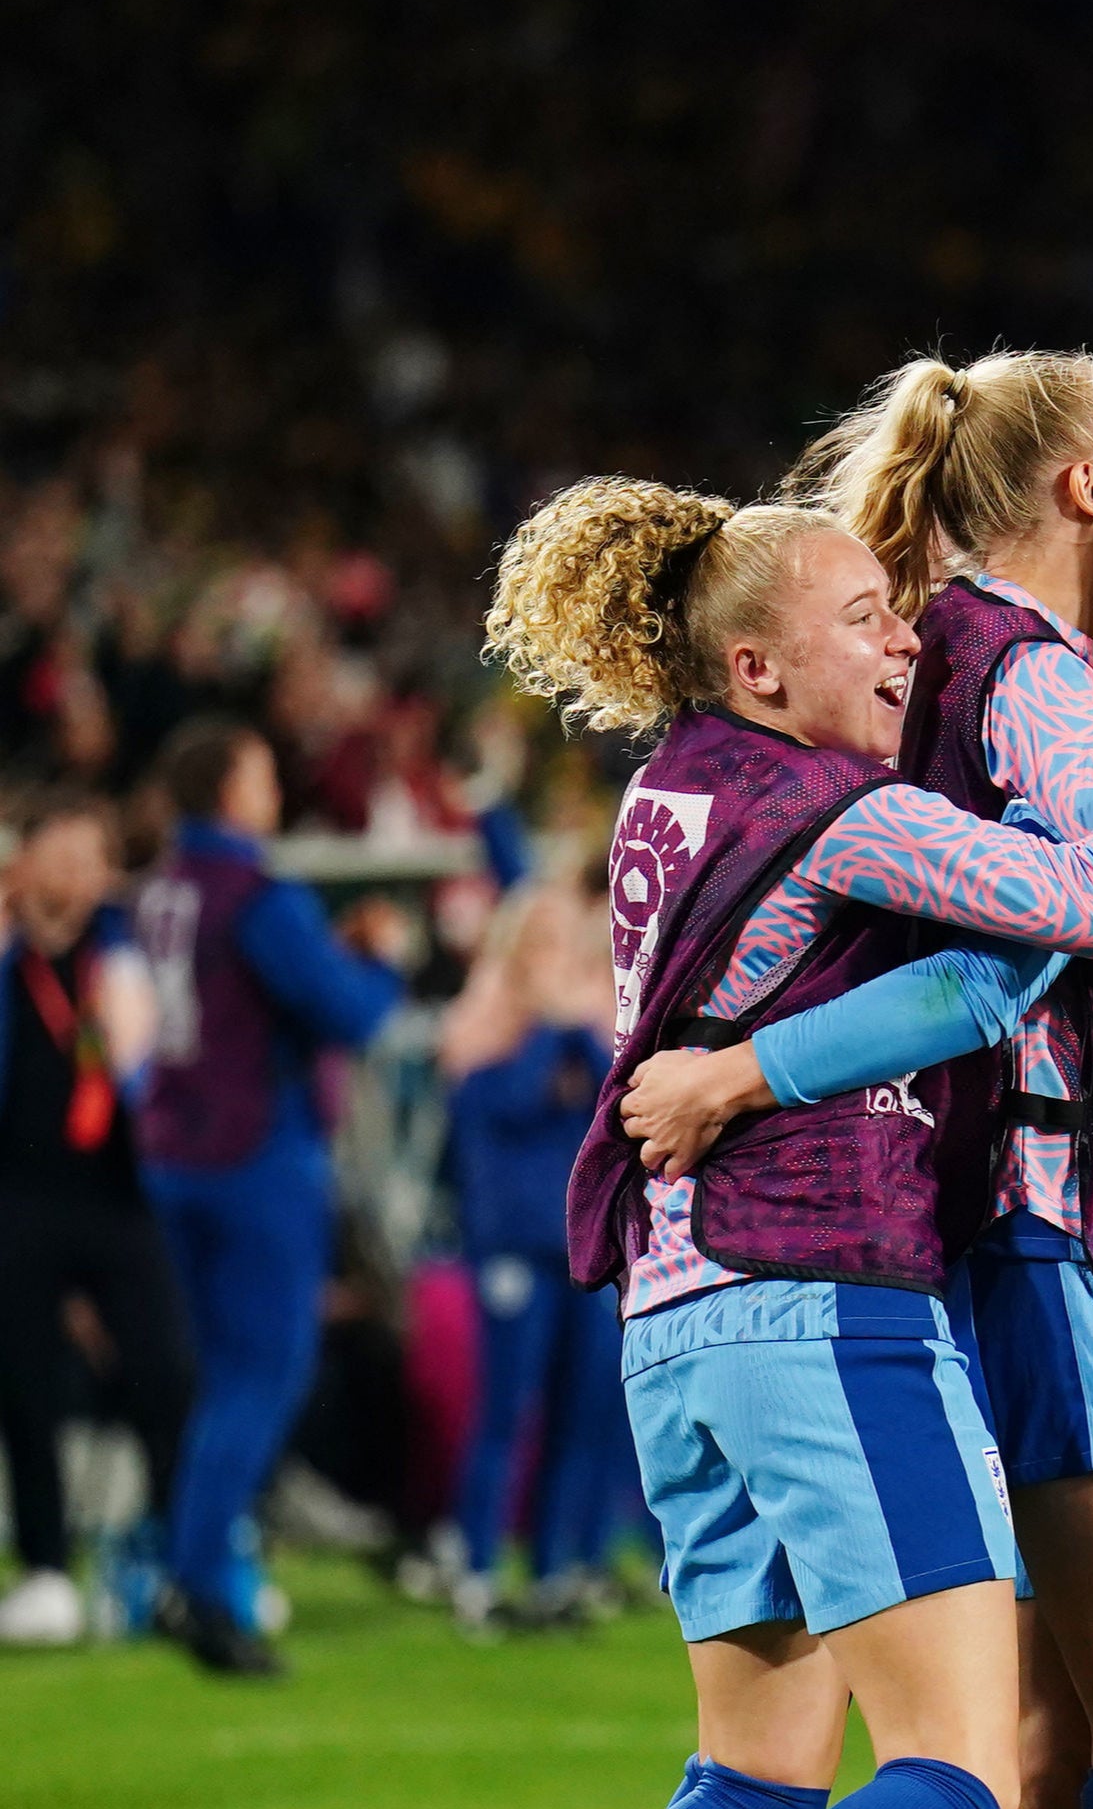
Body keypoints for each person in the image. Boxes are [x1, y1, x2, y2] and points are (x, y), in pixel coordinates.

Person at [483, 474, 1093, 1809]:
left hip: (676, 1316)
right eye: (863, 621)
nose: (902, 647)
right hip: (820, 1296)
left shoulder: (665, 788)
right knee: (956, 1778)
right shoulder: (838, 809)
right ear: (755, 666)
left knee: (750, 1786)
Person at [135, 719, 405, 1677]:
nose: (272, 789)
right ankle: (201, 1584)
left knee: (211, 1384)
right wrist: (378, 959)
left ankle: (187, 1568)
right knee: (262, 1378)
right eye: (258, 773)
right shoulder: (254, 890)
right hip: (254, 1160)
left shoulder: (161, 889)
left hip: (171, 1153)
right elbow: (347, 1012)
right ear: (232, 791)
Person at [0, 790, 188, 1649]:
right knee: (24, 1386)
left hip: (118, 1195)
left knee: (166, 1371)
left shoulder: (123, 952)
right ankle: (46, 1571)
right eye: (64, 857)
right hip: (19, 1198)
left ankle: (170, 1558)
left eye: (94, 859)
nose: (81, 878)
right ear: (26, 859)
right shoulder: (9, 960)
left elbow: (147, 1060)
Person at [435, 872, 630, 1629]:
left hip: (582, 1248)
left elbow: (615, 1100)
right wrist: (550, 1026)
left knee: (581, 1410)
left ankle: (554, 1571)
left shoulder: (584, 1028)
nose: (554, 956)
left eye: (564, 941)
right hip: (512, 1243)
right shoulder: (480, 1025)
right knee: (505, 1411)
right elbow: (511, 1103)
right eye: (540, 940)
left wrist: (571, 1025)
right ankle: (476, 1568)